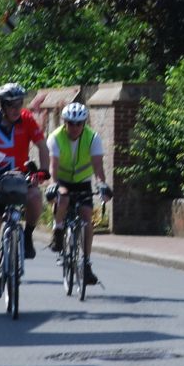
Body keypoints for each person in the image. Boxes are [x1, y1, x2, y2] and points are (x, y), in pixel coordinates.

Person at [0, 83, 49, 298]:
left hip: (20, 176)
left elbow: (42, 146)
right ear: (2, 105)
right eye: (11, 104)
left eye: (19, 104)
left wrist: (43, 171)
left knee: (34, 196)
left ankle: (29, 235)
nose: (16, 108)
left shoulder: (27, 120)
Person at [46, 102, 110, 288]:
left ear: (84, 123)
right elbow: (53, 166)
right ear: (64, 123)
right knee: (63, 198)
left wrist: (102, 185)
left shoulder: (93, 138)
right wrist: (53, 185)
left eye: (79, 124)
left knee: (86, 216)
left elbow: (98, 166)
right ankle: (58, 231)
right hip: (63, 181)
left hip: (82, 182)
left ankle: (87, 263)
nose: (75, 128)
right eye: (71, 124)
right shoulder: (55, 137)